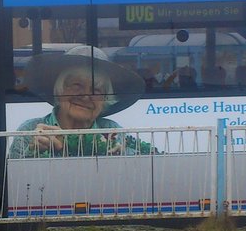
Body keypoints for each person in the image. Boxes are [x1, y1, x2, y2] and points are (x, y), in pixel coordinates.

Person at [9, 45, 156, 158]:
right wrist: (33, 152)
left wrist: (124, 156)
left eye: (96, 90)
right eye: (76, 85)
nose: (86, 96)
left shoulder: (112, 131)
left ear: (105, 99)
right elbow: (16, 182)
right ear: (60, 90)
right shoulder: (30, 130)